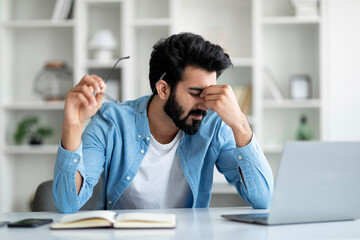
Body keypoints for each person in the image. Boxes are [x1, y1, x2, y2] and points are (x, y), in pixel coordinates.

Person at [53, 32, 273, 213]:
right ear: (163, 89)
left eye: (211, 92)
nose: (205, 104)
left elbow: (263, 199)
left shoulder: (214, 126)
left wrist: (239, 124)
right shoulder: (112, 122)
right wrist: (73, 126)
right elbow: (67, 203)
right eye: (196, 93)